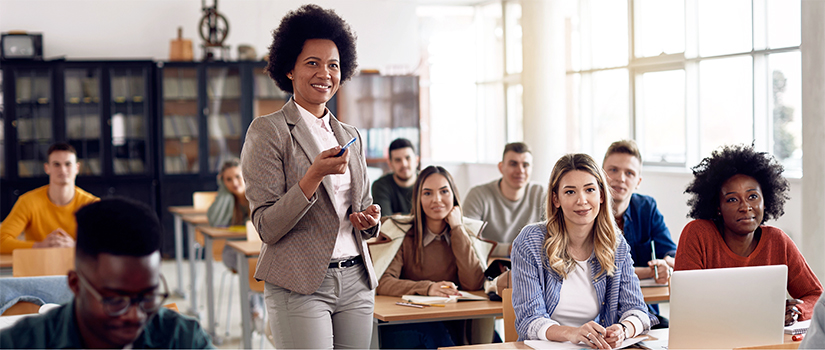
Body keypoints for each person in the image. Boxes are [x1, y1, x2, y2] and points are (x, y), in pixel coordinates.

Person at [241, 5, 381, 349]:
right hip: (299, 282)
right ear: (289, 68)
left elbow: (359, 208)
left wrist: (370, 220)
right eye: (312, 63)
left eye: (333, 64)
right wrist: (312, 176)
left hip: (356, 278)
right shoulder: (268, 131)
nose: (325, 73)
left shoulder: (349, 133)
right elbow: (267, 227)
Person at [0, 197, 213, 349]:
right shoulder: (21, 343)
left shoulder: (183, 339)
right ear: (76, 285)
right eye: (116, 300)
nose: (136, 315)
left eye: (147, 297)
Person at [512, 153, 653, 348]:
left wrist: (623, 329)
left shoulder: (615, 243)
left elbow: (637, 310)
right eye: (570, 192)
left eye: (590, 190)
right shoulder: (531, 241)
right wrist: (573, 333)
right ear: (556, 199)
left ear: (601, 195)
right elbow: (529, 320)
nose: (582, 200)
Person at [675, 144, 822, 325]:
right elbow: (687, 304)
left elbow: (815, 295)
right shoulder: (698, 235)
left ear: (765, 201)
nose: (745, 207)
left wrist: (796, 311)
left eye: (752, 196)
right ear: (718, 207)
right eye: (732, 199)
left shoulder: (778, 241)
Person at [373, 165, 490, 348]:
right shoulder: (403, 234)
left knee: (494, 341)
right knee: (437, 335)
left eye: (444, 191)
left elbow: (473, 283)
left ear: (453, 195)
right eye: (427, 193)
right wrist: (427, 288)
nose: (437, 200)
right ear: (418, 199)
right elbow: (384, 282)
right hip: (407, 324)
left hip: (455, 321)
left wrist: (457, 228)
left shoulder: (463, 233)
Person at [602, 140, 676, 327]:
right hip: (599, 315)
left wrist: (664, 266)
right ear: (600, 174)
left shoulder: (647, 208)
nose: (621, 178)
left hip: (644, 312)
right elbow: (601, 271)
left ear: (638, 182)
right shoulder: (587, 210)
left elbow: (672, 254)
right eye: (613, 170)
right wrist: (648, 272)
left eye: (629, 173)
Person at [0, 142, 99, 253]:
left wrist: (75, 245)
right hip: (38, 267)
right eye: (56, 164)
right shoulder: (28, 201)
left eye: (68, 164)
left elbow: (111, 242)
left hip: (79, 268)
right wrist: (39, 246)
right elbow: (1, 241)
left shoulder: (93, 204)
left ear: (77, 168)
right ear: (47, 168)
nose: (63, 170)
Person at [205, 158, 265, 332]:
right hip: (232, 251)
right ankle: (256, 313)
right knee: (249, 268)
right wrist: (224, 193)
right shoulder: (227, 201)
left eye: (238, 177)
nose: (234, 183)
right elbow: (214, 220)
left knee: (253, 268)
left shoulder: (257, 195)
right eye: (228, 180)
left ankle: (254, 315)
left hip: (258, 250)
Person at [464, 142, 545, 258]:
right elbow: (468, 240)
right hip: (490, 264)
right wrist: (508, 249)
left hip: (530, 262)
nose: (520, 170)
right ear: (501, 167)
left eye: (525, 165)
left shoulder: (542, 193)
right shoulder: (478, 195)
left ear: (532, 168)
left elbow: (554, 236)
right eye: (513, 164)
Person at [371, 138, 419, 216]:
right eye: (398, 160)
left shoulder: (427, 182)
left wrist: (398, 217)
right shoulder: (380, 186)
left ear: (416, 160)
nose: (404, 164)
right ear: (390, 164)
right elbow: (386, 223)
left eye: (408, 158)